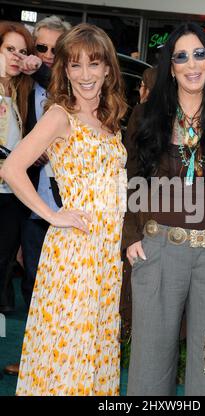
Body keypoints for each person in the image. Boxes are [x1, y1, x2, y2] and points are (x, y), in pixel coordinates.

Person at [122, 22, 205, 396]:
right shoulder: (146, 116)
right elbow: (134, 179)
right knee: (150, 362)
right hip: (159, 248)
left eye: (199, 54)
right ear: (171, 67)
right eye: (181, 56)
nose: (191, 63)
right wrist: (131, 236)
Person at [0, 23, 127, 396]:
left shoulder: (110, 120)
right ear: (64, 71)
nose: (85, 75)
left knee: (96, 347)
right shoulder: (60, 116)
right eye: (75, 65)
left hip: (107, 254)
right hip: (75, 252)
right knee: (68, 349)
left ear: (107, 69)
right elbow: (11, 168)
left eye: (94, 64)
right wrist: (53, 214)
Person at [4, 15, 71, 378]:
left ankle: (61, 361)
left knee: (65, 292)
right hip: (31, 209)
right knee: (33, 287)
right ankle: (34, 360)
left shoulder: (75, 84)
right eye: (39, 48)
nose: (45, 55)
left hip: (69, 209)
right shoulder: (23, 87)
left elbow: (56, 78)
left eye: (54, 49)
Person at [0, 21, 35, 314]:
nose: (16, 57)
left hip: (11, 196)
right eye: (9, 49)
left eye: (22, 51)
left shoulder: (20, 92)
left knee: (2, 271)